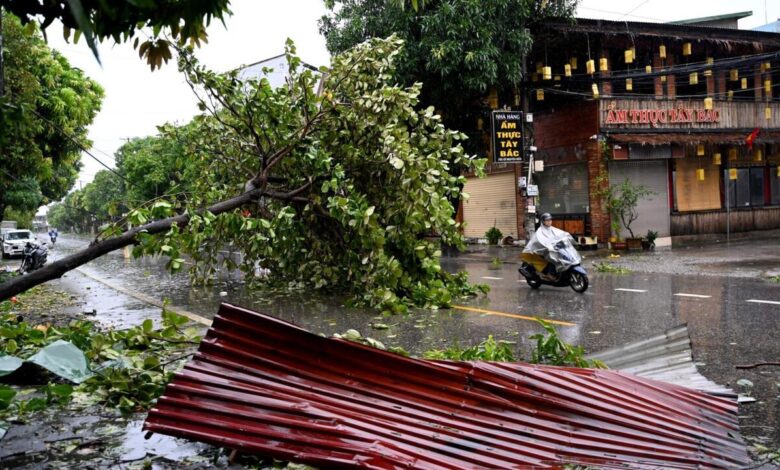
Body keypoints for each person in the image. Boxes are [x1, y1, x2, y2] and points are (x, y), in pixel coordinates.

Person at [521, 213, 573, 281]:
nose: (549, 222)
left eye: (550, 220)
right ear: (543, 221)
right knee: (554, 259)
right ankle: (550, 274)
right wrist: (547, 245)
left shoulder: (552, 229)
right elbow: (539, 241)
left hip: (551, 249)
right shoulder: (540, 231)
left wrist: (566, 238)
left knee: (562, 256)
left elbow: (560, 234)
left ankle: (560, 273)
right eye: (547, 220)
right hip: (540, 250)